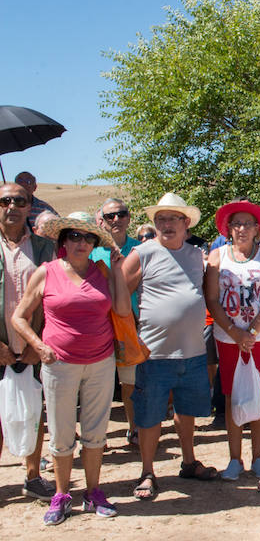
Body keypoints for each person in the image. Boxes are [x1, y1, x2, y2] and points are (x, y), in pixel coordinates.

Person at [12, 212, 130, 524]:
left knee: (95, 433)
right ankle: (62, 495)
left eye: (88, 237)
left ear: (94, 243)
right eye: (74, 236)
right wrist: (38, 346)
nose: (81, 242)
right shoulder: (46, 272)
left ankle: (93, 492)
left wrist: (118, 270)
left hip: (101, 362)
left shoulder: (103, 271)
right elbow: (19, 316)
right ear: (63, 240)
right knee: (62, 435)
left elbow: (121, 309)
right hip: (59, 363)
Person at [122, 193, 215, 500]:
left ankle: (188, 462)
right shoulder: (142, 252)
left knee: (187, 412)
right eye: (160, 219)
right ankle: (148, 472)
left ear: (185, 223)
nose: (165, 225)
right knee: (149, 416)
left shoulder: (195, 255)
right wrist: (132, 334)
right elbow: (121, 297)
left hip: (193, 351)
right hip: (154, 353)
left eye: (171, 219)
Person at [204, 200, 260, 481]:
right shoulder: (217, 257)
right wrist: (236, 333)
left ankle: (258, 457)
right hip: (227, 337)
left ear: (257, 228)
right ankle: (235, 459)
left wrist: (253, 331)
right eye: (236, 224)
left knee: (259, 394)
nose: (242, 229)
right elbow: (212, 298)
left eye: (248, 224)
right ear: (228, 229)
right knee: (231, 395)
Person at [0, 183, 56, 502]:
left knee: (35, 413)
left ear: (28, 205)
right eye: (5, 200)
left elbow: (52, 300)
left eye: (19, 200)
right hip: (0, 345)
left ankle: (33, 476)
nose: (12, 206)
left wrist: (40, 343)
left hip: (33, 347)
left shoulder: (44, 247)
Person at [90, 199, 141, 447]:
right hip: (99, 323)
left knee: (129, 380)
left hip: (131, 320)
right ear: (102, 221)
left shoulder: (140, 249)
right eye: (110, 216)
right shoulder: (92, 251)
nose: (116, 220)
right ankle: (97, 435)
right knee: (98, 383)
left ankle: (134, 429)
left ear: (129, 218)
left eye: (121, 214)